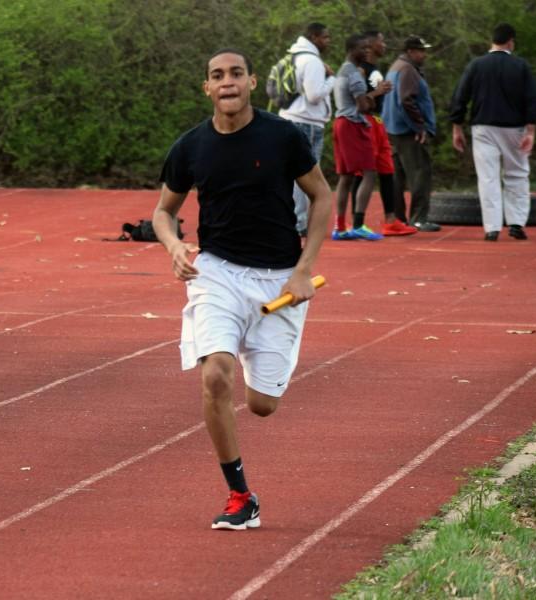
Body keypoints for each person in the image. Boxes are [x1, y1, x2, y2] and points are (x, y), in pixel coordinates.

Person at [152, 48, 331, 530]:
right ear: (206, 88)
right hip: (217, 273)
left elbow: (322, 195)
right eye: (216, 75)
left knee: (262, 406)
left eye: (235, 73)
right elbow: (163, 212)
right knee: (215, 376)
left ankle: (252, 348)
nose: (226, 81)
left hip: (280, 280)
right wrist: (172, 245)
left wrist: (303, 269)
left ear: (252, 82)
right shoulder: (190, 146)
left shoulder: (282, 136)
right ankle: (240, 496)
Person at [449, 23, 536, 241]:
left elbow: (460, 96)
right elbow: (533, 99)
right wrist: (531, 129)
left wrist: (457, 126)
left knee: (488, 177)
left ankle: (492, 227)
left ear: (493, 41)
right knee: (517, 173)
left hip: (483, 127)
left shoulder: (476, 65)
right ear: (511, 42)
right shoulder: (521, 66)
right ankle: (517, 223)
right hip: (514, 128)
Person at [349, 31, 417, 236]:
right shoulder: (360, 71)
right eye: (382, 41)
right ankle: (357, 222)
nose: (384, 45)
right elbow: (355, 103)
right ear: (369, 45)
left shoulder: (375, 69)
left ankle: (390, 219)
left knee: (387, 170)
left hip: (378, 122)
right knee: (362, 173)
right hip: (365, 122)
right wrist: (376, 93)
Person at [278, 22, 336, 236]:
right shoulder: (311, 60)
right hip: (306, 122)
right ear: (314, 37)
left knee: (291, 174)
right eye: (325, 37)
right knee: (306, 175)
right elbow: (314, 95)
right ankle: (299, 222)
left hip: (291, 118)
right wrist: (332, 80)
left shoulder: (293, 56)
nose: (328, 41)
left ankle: (291, 219)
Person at [331, 34, 390, 241]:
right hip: (353, 124)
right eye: (363, 48)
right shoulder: (354, 74)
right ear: (352, 49)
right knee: (370, 172)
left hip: (340, 122)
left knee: (346, 177)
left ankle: (339, 226)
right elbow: (363, 105)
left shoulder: (342, 70)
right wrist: (376, 94)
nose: (366, 51)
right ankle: (358, 223)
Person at [381, 36, 441, 232]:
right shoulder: (408, 70)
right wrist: (419, 127)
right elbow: (406, 100)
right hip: (408, 132)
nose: (424, 54)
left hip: (392, 130)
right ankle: (418, 218)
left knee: (397, 176)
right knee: (420, 174)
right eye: (420, 50)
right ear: (410, 52)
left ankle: (399, 217)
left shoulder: (395, 66)